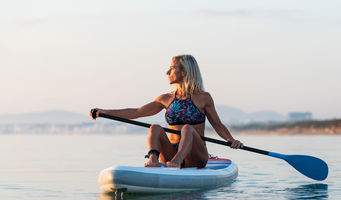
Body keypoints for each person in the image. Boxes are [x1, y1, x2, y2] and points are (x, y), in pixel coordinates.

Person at [90, 55, 243, 168]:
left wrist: (231, 140)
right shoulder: (166, 98)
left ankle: (177, 161)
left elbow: (217, 125)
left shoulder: (203, 98)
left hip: (196, 156)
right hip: (169, 153)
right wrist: (104, 112)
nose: (167, 72)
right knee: (155, 127)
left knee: (187, 128)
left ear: (184, 72)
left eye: (172, 68)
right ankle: (153, 160)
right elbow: (136, 112)